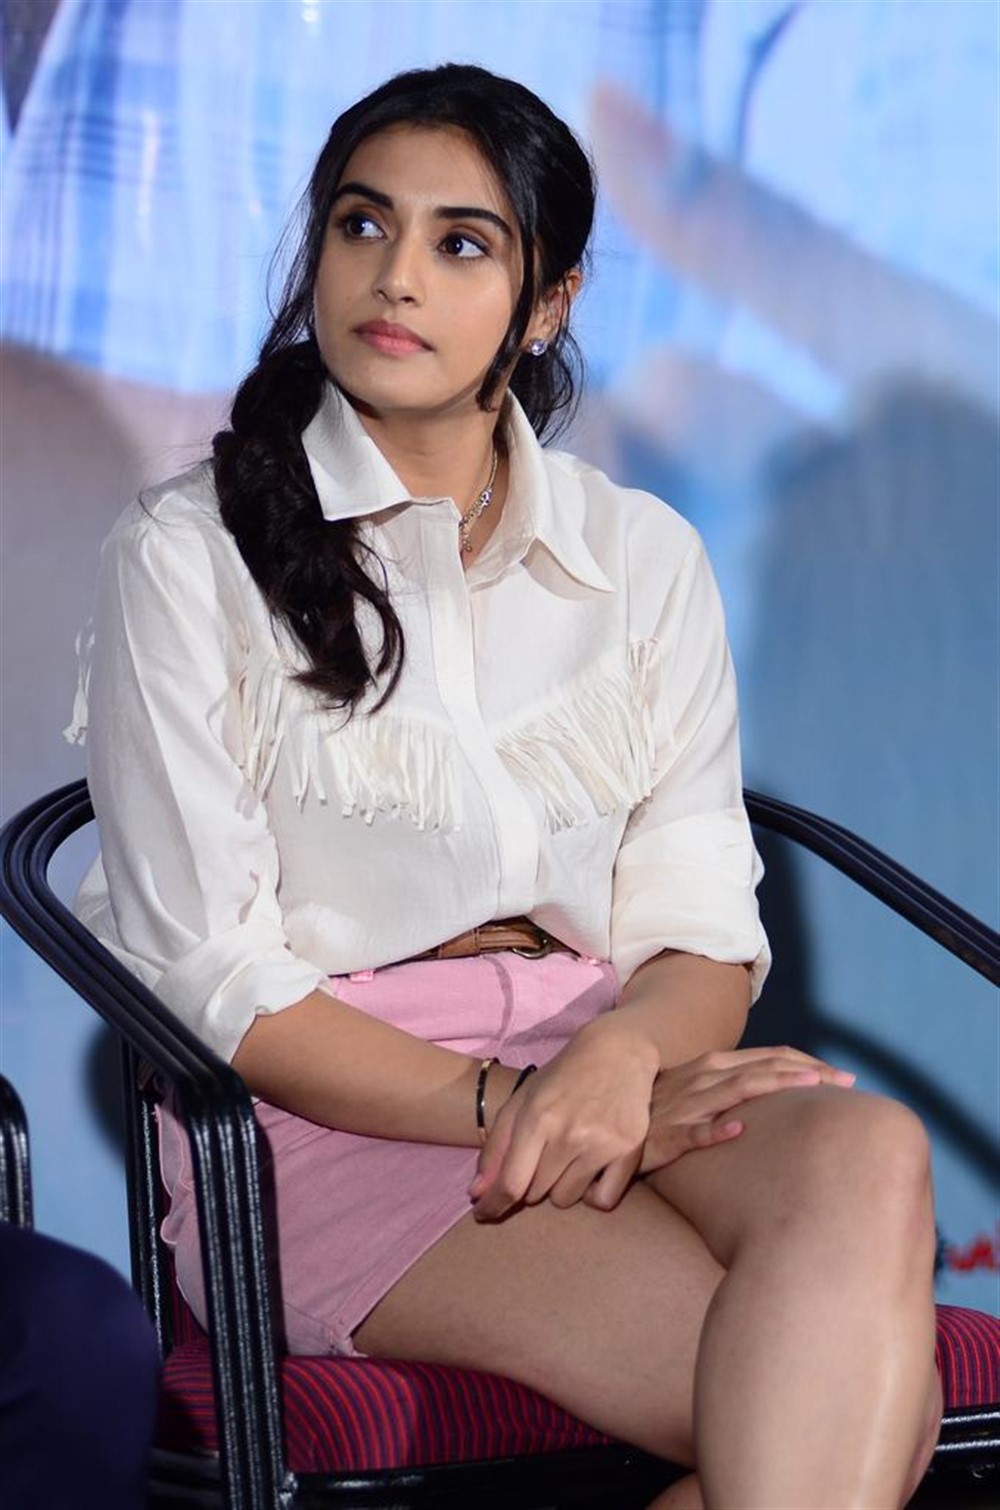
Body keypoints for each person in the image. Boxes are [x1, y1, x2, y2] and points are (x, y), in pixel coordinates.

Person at [72, 63, 941, 1510]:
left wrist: (615, 1065)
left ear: (549, 302)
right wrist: (519, 1099)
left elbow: (698, 925)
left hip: (607, 1064)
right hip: (338, 1120)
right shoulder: (187, 553)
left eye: (462, 242)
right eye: (362, 225)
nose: (396, 276)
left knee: (865, 1149)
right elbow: (216, 980)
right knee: (845, 1415)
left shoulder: (641, 556)